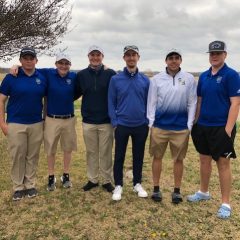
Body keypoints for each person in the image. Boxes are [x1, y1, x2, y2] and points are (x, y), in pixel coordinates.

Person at [187, 41, 240, 219]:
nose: (214, 56)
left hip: (221, 128)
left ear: (225, 54)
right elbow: (200, 101)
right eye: (211, 54)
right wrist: (195, 122)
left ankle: (225, 203)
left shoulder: (231, 75)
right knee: (204, 160)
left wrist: (227, 130)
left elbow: (235, 103)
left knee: (223, 164)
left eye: (218, 53)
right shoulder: (203, 76)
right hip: (203, 126)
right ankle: (203, 192)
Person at [9, 53, 77, 191]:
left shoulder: (74, 76)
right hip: (51, 118)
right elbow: (30, 68)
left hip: (69, 118)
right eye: (60, 63)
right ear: (56, 64)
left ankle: (66, 175)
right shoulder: (48, 73)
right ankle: (51, 177)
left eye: (66, 63)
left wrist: (105, 66)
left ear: (70, 65)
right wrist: (15, 66)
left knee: (67, 148)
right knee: (50, 149)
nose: (63, 66)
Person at [147, 49, 197, 203]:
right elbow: (152, 101)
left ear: (180, 60)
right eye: (171, 58)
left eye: (176, 58)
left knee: (179, 159)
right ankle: (156, 189)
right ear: (166, 61)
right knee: (157, 157)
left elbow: (192, 102)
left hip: (180, 128)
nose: (173, 61)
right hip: (160, 126)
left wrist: (189, 124)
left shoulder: (189, 79)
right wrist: (151, 122)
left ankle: (177, 191)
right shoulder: (156, 79)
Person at [0, 47, 47, 200]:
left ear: (36, 60)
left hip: (36, 123)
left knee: (32, 155)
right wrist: (2, 123)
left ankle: (30, 185)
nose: (28, 60)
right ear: (20, 60)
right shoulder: (11, 77)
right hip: (15, 123)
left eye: (31, 58)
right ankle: (18, 187)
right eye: (25, 58)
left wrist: (45, 120)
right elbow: (1, 100)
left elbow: (46, 100)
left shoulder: (42, 77)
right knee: (18, 156)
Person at [108, 45, 149, 201]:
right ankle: (118, 185)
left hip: (140, 125)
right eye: (128, 55)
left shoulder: (145, 80)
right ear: (124, 58)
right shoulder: (116, 79)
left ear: (138, 57)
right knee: (119, 156)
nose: (131, 58)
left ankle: (137, 183)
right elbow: (111, 102)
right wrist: (115, 121)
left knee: (138, 156)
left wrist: (146, 121)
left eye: (134, 55)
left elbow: (149, 102)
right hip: (122, 125)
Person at [74, 45, 116, 192]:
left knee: (106, 152)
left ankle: (106, 180)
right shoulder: (81, 75)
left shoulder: (110, 73)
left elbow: (117, 93)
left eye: (98, 55)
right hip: (88, 121)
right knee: (91, 152)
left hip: (106, 121)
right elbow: (74, 93)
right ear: (88, 57)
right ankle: (92, 179)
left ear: (102, 57)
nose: (95, 57)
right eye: (92, 55)